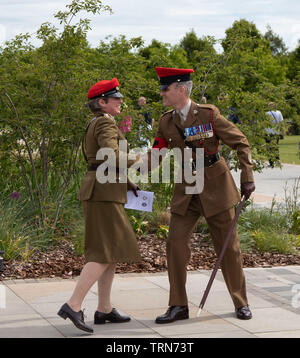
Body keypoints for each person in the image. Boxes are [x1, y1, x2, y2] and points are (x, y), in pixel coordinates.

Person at [144, 67, 255, 324]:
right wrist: (125, 170)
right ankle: (178, 305)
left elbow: (242, 142)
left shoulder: (208, 114)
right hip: (186, 190)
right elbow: (155, 156)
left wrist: (247, 177)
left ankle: (241, 301)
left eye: (165, 89)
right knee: (175, 244)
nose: (161, 93)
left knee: (228, 248)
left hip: (215, 187)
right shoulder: (165, 122)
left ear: (181, 90)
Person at [57, 78, 141, 334]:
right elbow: (111, 155)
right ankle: (73, 304)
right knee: (104, 251)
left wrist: (127, 183)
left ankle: (104, 309)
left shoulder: (98, 121)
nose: (120, 101)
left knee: (111, 250)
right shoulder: (104, 121)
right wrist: (141, 160)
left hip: (103, 189)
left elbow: (101, 161)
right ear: (102, 102)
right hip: (102, 193)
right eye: (115, 98)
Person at [265, 102, 284, 167]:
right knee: (276, 147)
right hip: (277, 132)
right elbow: (281, 122)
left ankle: (271, 163)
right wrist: (282, 132)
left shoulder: (266, 114)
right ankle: (277, 161)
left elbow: (265, 124)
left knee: (269, 147)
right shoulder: (279, 112)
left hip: (268, 132)